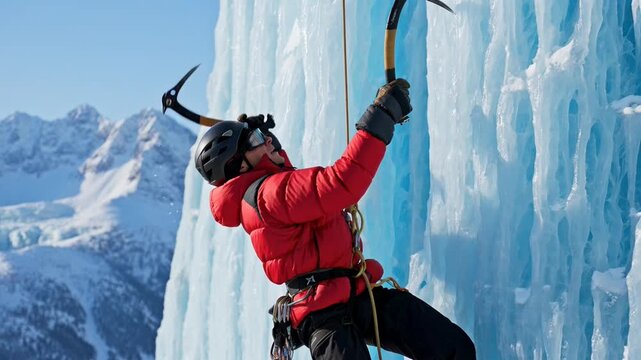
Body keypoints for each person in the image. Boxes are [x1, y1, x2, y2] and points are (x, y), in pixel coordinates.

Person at [194, 79, 476, 359]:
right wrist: (382, 115)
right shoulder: (270, 193)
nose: (267, 139)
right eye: (256, 140)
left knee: (452, 348)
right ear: (238, 165)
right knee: (452, 349)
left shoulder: (262, 193)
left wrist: (261, 142)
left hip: (346, 298)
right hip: (327, 314)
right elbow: (341, 182)